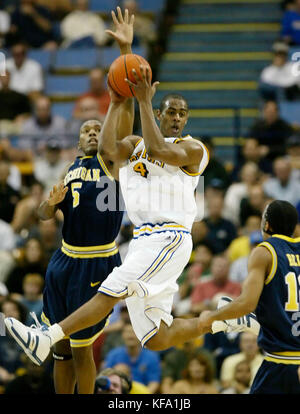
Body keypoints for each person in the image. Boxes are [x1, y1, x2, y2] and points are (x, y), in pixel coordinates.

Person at [5, 53, 213, 370]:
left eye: (181, 113)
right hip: (142, 239)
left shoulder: (192, 148)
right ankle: (225, 318)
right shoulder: (134, 147)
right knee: (156, 335)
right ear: (160, 114)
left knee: (110, 292)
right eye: (170, 112)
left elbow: (160, 150)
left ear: (186, 119)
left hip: (168, 235)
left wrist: (142, 100)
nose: (175, 118)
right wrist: (120, 89)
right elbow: (109, 149)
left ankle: (46, 336)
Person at [6, 8, 135, 395]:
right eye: (87, 129)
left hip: (96, 259)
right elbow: (46, 216)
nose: (94, 131)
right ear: (78, 140)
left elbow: (123, 111)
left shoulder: (112, 160)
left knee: (82, 350)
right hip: (64, 259)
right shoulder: (69, 169)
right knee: (59, 347)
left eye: (98, 127)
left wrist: (125, 51)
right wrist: (50, 203)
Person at [199, 200, 300, 394]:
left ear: (267, 225)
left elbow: (246, 303)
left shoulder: (264, 251)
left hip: (280, 363)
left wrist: (212, 316)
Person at [104, 323, 161, 393]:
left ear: (141, 335)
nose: (130, 335)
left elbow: (154, 383)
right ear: (122, 335)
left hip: (142, 393)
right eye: (127, 332)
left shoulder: (152, 357)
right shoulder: (113, 354)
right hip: (117, 392)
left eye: (134, 332)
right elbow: (106, 378)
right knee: (120, 369)